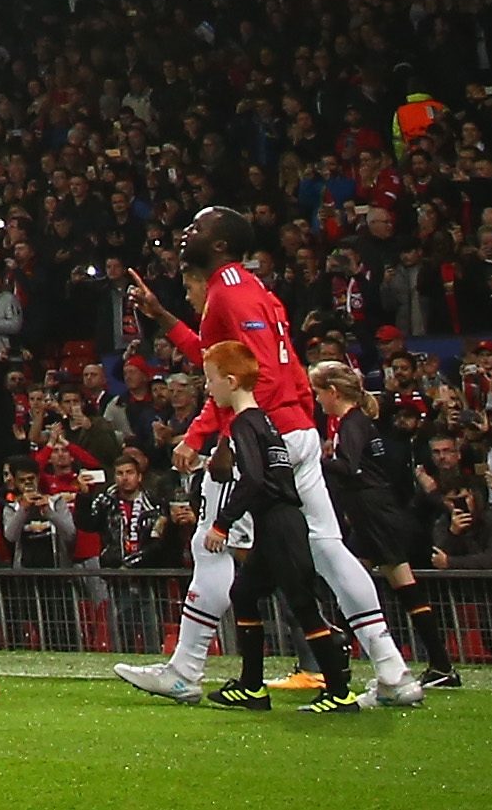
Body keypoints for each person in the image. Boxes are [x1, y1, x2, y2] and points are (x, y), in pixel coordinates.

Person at [117, 213, 420, 702]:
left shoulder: (229, 292)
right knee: (326, 547)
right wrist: (163, 316)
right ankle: (392, 672)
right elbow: (246, 365)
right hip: (292, 429)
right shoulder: (249, 288)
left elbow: (250, 378)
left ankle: (185, 671)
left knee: (211, 544)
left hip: (262, 436)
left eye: (194, 229)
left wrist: (219, 437)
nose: (184, 235)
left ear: (219, 243)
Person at [186, 340, 358, 711]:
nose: (208, 388)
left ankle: (340, 692)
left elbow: (252, 478)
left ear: (231, 382)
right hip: (276, 523)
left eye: (211, 380)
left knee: (303, 605)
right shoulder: (264, 419)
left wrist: (222, 523)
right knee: (244, 594)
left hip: (280, 522)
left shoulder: (245, 424)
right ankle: (252, 686)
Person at [314, 359, 457, 688]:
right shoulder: (359, 421)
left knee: (394, 587)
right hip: (374, 512)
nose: (318, 400)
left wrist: (316, 461)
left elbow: (349, 467)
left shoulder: (352, 423)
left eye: (319, 392)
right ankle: (337, 661)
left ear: (333, 392)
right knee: (350, 584)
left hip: (376, 514)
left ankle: (441, 664)